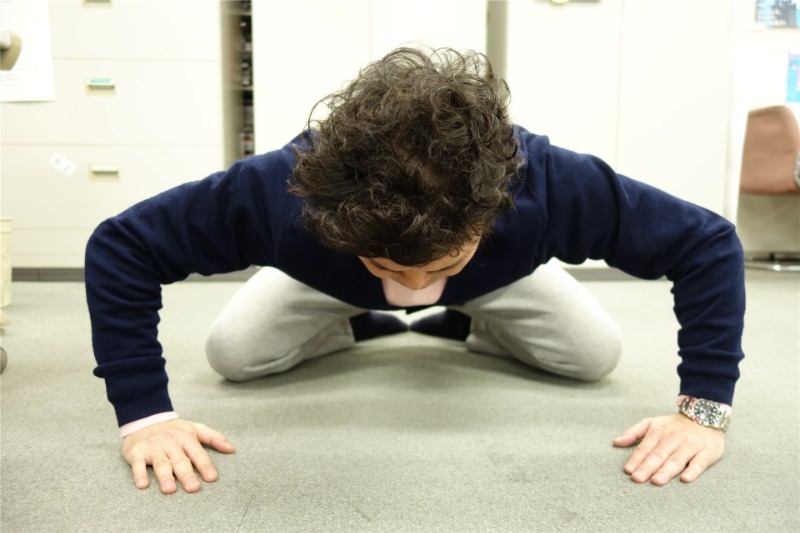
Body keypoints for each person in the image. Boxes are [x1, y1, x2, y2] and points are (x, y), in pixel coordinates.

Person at [85, 47, 744, 495]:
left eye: (441, 264)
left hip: (501, 281)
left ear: (495, 210)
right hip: (323, 280)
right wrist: (146, 417)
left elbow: (708, 243)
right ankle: (365, 316)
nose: (412, 288)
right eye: (387, 266)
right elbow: (121, 245)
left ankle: (459, 318)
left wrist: (703, 413)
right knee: (233, 353)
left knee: (595, 355)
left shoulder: (548, 180)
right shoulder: (279, 190)